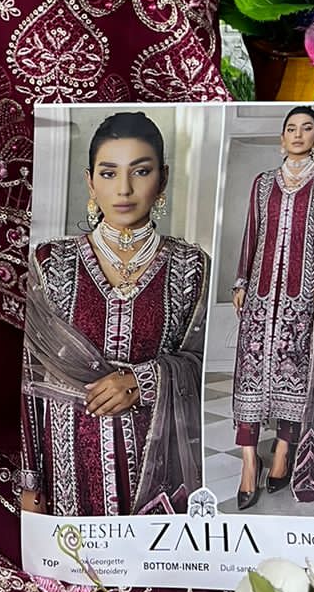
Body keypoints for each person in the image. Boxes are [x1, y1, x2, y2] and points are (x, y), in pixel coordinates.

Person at [21, 112, 208, 516]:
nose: (124, 189)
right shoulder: (50, 261)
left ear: (163, 178)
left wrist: (143, 380)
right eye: (108, 173)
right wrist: (29, 482)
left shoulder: (192, 265)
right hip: (68, 462)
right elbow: (28, 377)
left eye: (140, 171)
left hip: (156, 462)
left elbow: (203, 364)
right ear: (91, 182)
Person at [231, 105, 314, 509]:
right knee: (250, 371)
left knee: (293, 371)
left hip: (302, 294)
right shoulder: (263, 183)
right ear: (282, 138)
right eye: (291, 128)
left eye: (306, 128)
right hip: (260, 294)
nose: (297, 134)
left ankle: (281, 451)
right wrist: (241, 280)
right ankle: (249, 461)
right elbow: (251, 233)